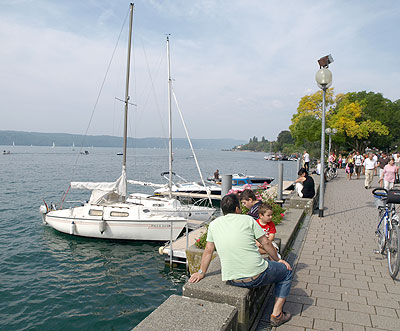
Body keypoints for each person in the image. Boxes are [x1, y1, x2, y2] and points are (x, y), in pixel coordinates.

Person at [189, 194, 293, 327]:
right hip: (257, 275)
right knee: (287, 272)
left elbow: (208, 250)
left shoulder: (214, 225)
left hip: (233, 279)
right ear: (237, 208)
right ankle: (277, 315)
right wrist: (278, 260)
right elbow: (266, 243)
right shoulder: (248, 220)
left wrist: (201, 272)